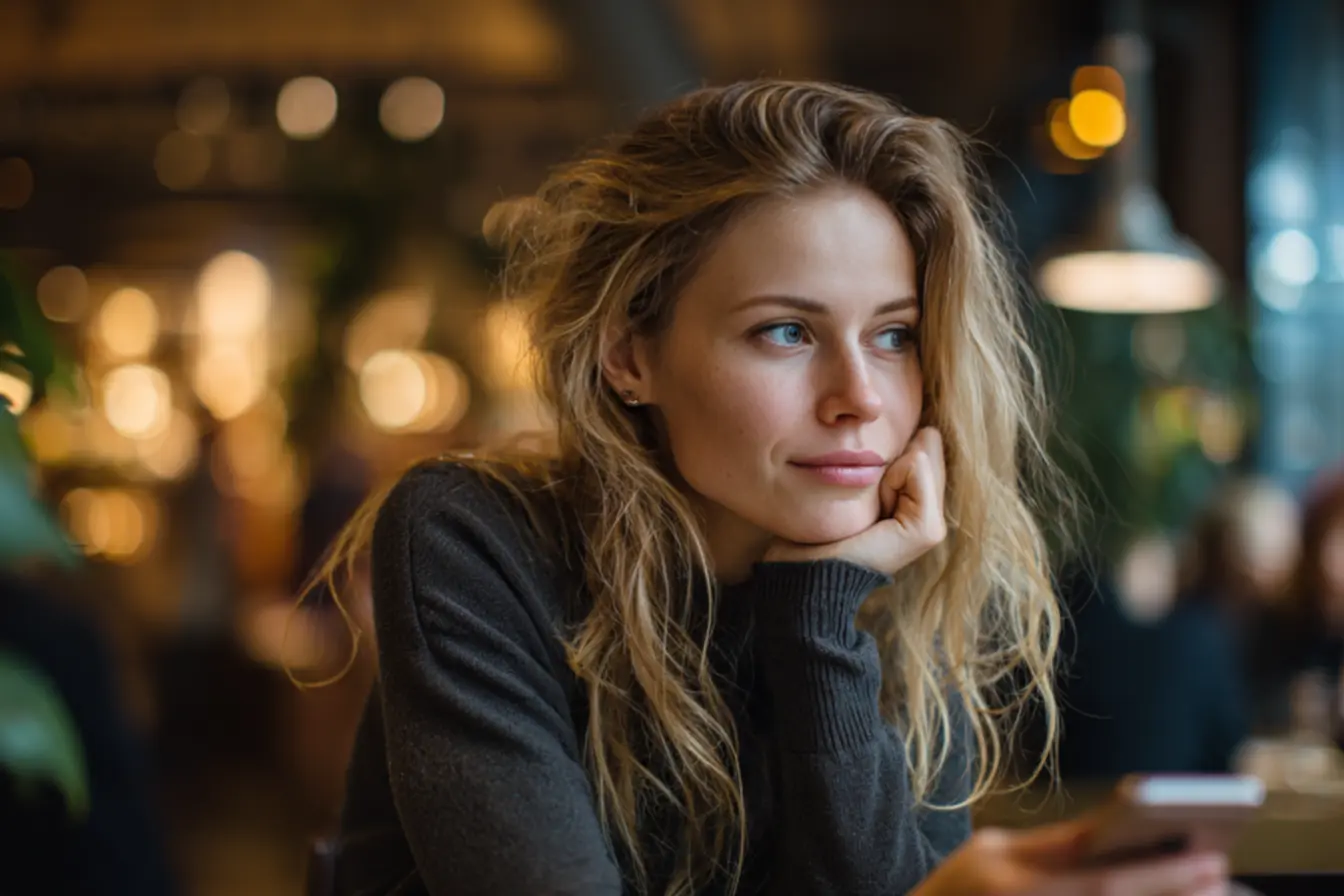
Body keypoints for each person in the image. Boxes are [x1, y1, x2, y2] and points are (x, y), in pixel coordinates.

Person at [323, 81, 1231, 895]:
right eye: (787, 333)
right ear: (628, 353)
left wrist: (821, 608)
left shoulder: (903, 587)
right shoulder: (475, 539)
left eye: (894, 336)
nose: (860, 400)